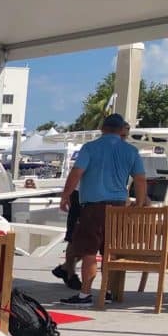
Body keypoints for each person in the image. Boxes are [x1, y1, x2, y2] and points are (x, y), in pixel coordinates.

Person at [58, 113, 147, 305]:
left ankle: (85, 294)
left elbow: (77, 173)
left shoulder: (91, 148)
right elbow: (140, 179)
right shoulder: (131, 151)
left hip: (94, 206)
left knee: (89, 250)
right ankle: (105, 291)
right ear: (122, 130)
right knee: (109, 250)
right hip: (119, 206)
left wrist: (66, 195)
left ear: (103, 128)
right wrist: (139, 204)